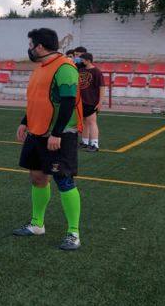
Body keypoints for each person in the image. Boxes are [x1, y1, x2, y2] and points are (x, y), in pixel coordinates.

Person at [13, 27, 84, 252]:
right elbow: (37, 99)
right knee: (37, 177)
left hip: (58, 135)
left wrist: (57, 133)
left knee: (64, 180)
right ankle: (37, 224)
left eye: (31, 44)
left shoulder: (64, 67)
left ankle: (73, 233)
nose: (30, 49)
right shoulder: (41, 68)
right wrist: (25, 121)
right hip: (36, 131)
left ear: (40, 47)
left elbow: (68, 102)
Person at [78, 52, 103, 152]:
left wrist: (100, 102)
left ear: (88, 60)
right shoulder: (80, 70)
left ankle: (95, 144)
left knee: (92, 122)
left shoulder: (96, 71)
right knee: (84, 122)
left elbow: (102, 87)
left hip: (91, 101)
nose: (80, 61)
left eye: (82, 59)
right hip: (81, 101)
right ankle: (85, 142)